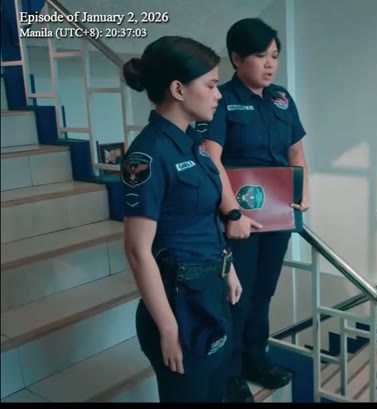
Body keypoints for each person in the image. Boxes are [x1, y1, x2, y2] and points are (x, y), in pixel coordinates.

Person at [121, 35, 242, 403]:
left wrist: (228, 267)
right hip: (180, 303)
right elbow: (137, 250)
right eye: (211, 85)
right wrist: (168, 328)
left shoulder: (193, 142)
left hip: (209, 291)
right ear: (178, 89)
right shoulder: (148, 155)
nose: (218, 95)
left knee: (215, 392)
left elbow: (205, 215)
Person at [196, 18, 309, 402]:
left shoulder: (282, 99)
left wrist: (303, 192)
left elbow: (296, 152)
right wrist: (232, 213)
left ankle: (256, 358)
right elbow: (212, 158)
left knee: (263, 293)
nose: (270, 63)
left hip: (278, 214)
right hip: (239, 218)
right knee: (236, 298)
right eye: (261, 55)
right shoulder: (222, 99)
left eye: (274, 55)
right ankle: (230, 373)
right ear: (236, 57)